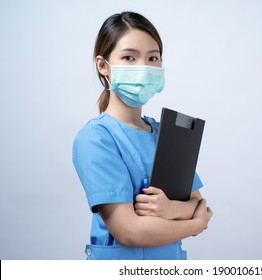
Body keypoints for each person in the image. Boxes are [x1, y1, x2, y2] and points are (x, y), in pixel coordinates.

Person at [72, 11, 212, 260]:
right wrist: (195, 224)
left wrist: (169, 208)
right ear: (103, 66)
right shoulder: (96, 138)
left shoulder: (167, 133)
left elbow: (200, 205)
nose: (144, 68)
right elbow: (129, 231)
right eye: (129, 57)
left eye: (152, 58)